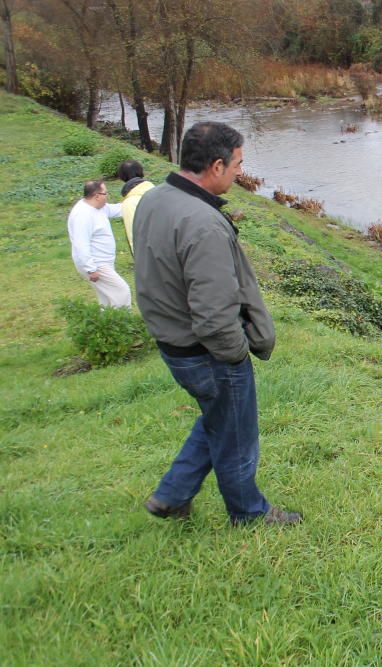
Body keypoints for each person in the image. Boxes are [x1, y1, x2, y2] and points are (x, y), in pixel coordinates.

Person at [133, 121, 300, 526]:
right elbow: (213, 312)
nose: (241, 172)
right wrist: (235, 356)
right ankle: (248, 512)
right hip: (207, 352)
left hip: (173, 342)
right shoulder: (203, 223)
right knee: (237, 435)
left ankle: (171, 496)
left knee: (219, 417)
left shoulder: (156, 198)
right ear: (217, 165)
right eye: (238, 164)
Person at [67, 179, 131, 308]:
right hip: (96, 265)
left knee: (106, 298)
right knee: (121, 292)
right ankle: (121, 323)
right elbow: (81, 244)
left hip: (104, 263)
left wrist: (137, 202)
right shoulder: (82, 215)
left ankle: (105, 325)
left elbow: (118, 209)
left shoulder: (99, 208)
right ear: (97, 196)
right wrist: (91, 269)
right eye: (106, 193)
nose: (107, 196)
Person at [116, 159, 154, 253]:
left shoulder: (130, 202)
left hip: (150, 256)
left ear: (122, 177)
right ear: (142, 172)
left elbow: (134, 235)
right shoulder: (157, 192)